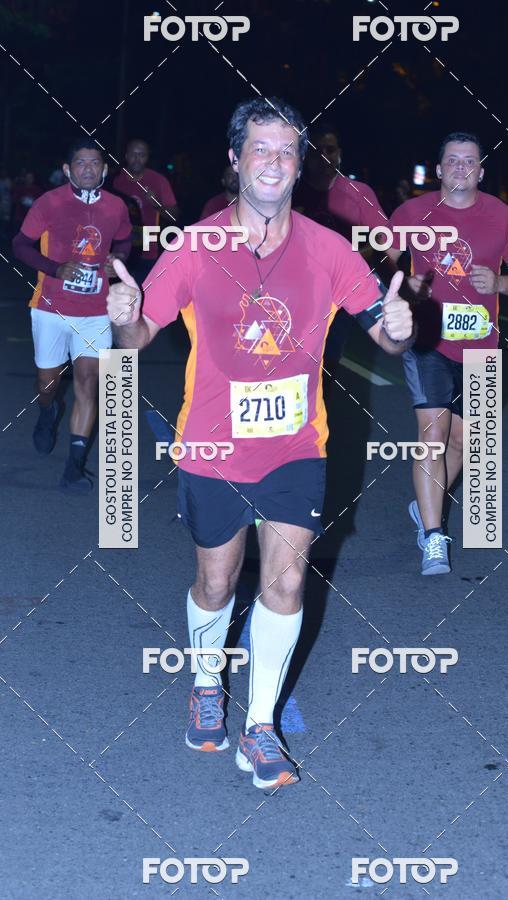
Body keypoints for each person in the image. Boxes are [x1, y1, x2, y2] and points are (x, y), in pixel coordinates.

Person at [107, 97, 413, 789]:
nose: (273, 162)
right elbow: (139, 336)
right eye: (260, 149)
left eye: (286, 152)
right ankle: (206, 682)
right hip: (212, 446)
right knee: (216, 583)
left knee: (286, 580)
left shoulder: (330, 248)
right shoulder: (196, 245)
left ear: (298, 165)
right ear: (236, 160)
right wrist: (121, 317)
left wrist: (398, 323)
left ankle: (261, 727)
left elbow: (386, 337)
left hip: (296, 445)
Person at [387, 132, 508, 575]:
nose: (459, 168)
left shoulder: (503, 217)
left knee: (466, 443)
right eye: (451, 160)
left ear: (481, 170)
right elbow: (386, 259)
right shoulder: (411, 213)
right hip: (428, 340)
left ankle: (424, 505)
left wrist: (503, 285)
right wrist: (404, 281)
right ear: (438, 169)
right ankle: (434, 536)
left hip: (481, 345)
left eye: (468, 161)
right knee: (432, 436)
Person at [12, 138, 131, 492]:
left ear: (105, 170)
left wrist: (117, 260)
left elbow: (124, 239)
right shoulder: (50, 202)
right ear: (68, 169)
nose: (88, 169)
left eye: (95, 163)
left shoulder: (116, 206)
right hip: (50, 309)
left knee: (87, 382)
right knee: (47, 384)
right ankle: (47, 411)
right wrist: (54, 268)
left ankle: (74, 468)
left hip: (95, 311)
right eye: (81, 163)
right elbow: (19, 245)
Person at [293, 122, 394, 373]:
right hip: (294, 293)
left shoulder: (358, 193)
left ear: (340, 154)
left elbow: (385, 240)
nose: (324, 157)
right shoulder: (289, 191)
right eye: (316, 151)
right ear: (305, 155)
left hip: (338, 296)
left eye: (330, 150)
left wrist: (351, 260)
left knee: (328, 361)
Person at [112, 139, 178, 283]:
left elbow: (173, 216)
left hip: (148, 251)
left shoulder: (159, 181)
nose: (137, 159)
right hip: (120, 250)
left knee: (144, 299)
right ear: (126, 156)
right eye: (133, 154)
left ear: (147, 158)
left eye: (142, 155)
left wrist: (156, 204)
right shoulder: (116, 180)